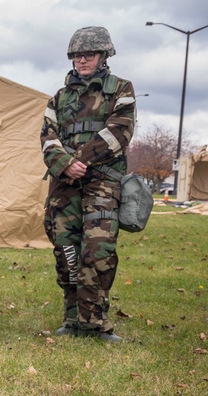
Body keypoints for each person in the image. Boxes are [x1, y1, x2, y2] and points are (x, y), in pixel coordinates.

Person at [40, 27, 135, 343]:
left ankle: (95, 322)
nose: (82, 60)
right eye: (77, 55)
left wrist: (80, 159)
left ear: (104, 56)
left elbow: (119, 132)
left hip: (103, 184)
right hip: (65, 186)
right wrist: (65, 164)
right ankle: (72, 319)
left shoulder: (120, 90)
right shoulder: (59, 97)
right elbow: (47, 138)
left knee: (97, 252)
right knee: (66, 251)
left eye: (89, 54)